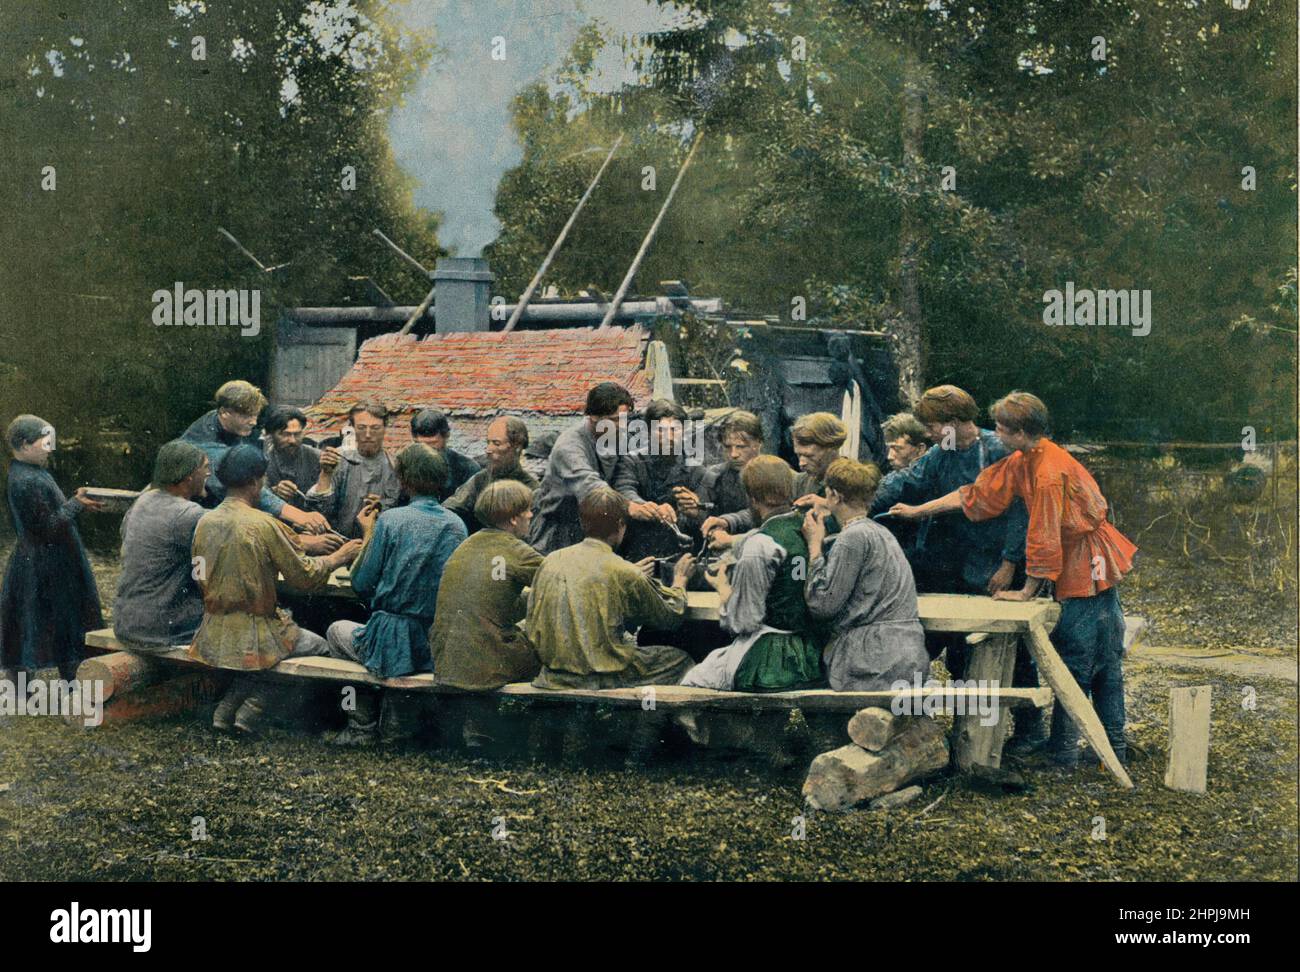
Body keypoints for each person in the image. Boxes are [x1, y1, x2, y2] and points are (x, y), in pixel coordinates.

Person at [890, 391, 1138, 768]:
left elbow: (1044, 537)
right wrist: (917, 511)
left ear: (1021, 432)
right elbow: (977, 495)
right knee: (1096, 658)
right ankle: (1099, 748)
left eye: (1003, 429)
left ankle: (1069, 753)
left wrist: (1026, 590)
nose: (997, 434)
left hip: (1088, 564)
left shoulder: (1047, 472)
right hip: (1074, 559)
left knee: (1082, 660)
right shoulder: (1025, 459)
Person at [869, 384, 1036, 743]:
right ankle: (943, 729)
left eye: (932, 425)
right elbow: (909, 480)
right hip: (948, 563)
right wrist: (863, 495)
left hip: (992, 563)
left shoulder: (997, 449)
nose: (927, 433)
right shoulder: (944, 449)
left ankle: (1025, 731)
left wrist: (1009, 564)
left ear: (956, 421)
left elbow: (1022, 513)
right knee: (941, 644)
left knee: (1003, 648)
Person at [189, 445, 361, 734]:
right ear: (257, 482)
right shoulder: (264, 523)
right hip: (255, 630)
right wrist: (339, 557)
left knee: (270, 648)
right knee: (321, 646)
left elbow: (199, 574)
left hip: (212, 627)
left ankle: (226, 709)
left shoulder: (203, 521)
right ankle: (255, 706)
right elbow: (305, 577)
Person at [323, 444, 466, 744]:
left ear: (403, 480)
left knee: (337, 631)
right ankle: (399, 724)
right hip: (432, 640)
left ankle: (361, 727)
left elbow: (361, 582)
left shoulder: (391, 520)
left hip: (390, 634)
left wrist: (368, 533)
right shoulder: (457, 526)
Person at [526, 486, 696, 689]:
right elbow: (670, 617)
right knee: (681, 660)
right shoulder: (624, 572)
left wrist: (632, 574)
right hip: (599, 676)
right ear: (621, 525)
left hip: (552, 674)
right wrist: (679, 581)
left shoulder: (551, 560)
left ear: (582, 522)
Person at [681, 456, 825, 692]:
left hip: (770, 659)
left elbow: (743, 622)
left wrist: (724, 588)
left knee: (691, 680)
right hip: (808, 652)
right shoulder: (807, 528)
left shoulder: (760, 545)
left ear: (752, 498)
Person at [802, 459, 928, 691]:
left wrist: (814, 548)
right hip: (906, 655)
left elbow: (822, 605)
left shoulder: (854, 536)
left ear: (835, 496)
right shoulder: (880, 532)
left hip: (873, 662)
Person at [1, 415, 105, 682]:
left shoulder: (32, 472)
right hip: (48, 564)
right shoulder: (26, 481)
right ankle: (71, 682)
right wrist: (75, 504)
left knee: (39, 621)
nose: (51, 449)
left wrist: (76, 503)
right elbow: (46, 526)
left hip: (46, 558)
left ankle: (36, 681)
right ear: (24, 445)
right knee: (61, 621)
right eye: (46, 443)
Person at [431, 480, 544, 691]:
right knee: (547, 649)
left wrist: (531, 599)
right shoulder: (516, 550)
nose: (530, 515)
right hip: (487, 665)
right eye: (526, 510)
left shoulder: (466, 546)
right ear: (512, 518)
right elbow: (559, 583)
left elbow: (493, 603)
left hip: (446, 662)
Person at [182, 380, 330, 537]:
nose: (253, 421)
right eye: (246, 415)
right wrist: (301, 516)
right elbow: (244, 484)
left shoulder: (225, 421)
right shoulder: (206, 445)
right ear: (225, 412)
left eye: (255, 414)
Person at [113, 441, 210, 649]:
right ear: (190, 475)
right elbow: (209, 571)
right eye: (206, 468)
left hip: (127, 621)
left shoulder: (143, 501)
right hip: (160, 630)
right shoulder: (189, 514)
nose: (209, 474)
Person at [700, 411, 847, 547]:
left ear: (831, 448)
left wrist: (733, 540)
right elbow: (769, 511)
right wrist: (728, 521)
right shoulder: (801, 480)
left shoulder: (853, 484)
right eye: (799, 455)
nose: (801, 463)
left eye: (809, 456)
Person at [527, 381, 634, 555]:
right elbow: (590, 487)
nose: (622, 426)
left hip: (590, 527)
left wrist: (641, 504)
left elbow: (623, 477)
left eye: (624, 420)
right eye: (615, 420)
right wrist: (630, 506)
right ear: (594, 417)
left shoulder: (618, 437)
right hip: (556, 528)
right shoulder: (569, 445)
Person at [613, 398, 703, 560]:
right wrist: (646, 507)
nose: (668, 436)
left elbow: (706, 508)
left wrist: (694, 508)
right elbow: (624, 490)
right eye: (660, 430)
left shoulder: (695, 468)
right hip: (638, 549)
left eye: (674, 430)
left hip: (680, 551)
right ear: (648, 432)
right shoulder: (632, 461)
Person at [306, 403, 401, 539]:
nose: (368, 435)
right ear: (352, 427)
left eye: (375, 428)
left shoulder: (394, 465)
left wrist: (380, 508)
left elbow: (396, 511)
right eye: (361, 428)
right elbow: (318, 510)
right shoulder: (337, 459)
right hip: (338, 542)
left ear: (385, 428)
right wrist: (325, 474)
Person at [443, 415, 538, 535]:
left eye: (496, 443)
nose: (488, 449)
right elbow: (448, 509)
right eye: (488, 442)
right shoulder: (480, 480)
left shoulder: (532, 489)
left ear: (517, 447)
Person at [675, 409, 762, 533]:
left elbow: (764, 515)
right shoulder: (713, 475)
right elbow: (695, 524)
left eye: (741, 447)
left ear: (758, 444)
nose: (734, 454)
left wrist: (727, 521)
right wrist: (695, 513)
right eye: (727, 447)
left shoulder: (774, 472)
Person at [410, 408, 482, 500]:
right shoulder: (404, 467)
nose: (428, 451)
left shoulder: (467, 469)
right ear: (414, 439)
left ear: (446, 436)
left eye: (433, 444)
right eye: (422, 445)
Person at [263, 405, 321, 503]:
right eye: (285, 434)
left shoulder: (317, 458)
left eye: (297, 434)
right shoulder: (262, 461)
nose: (292, 440)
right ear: (271, 434)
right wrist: (273, 491)